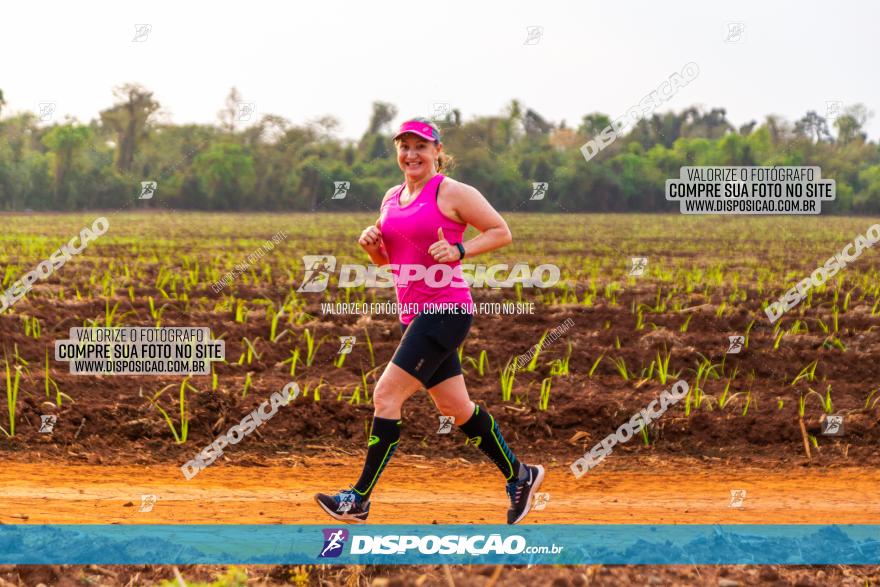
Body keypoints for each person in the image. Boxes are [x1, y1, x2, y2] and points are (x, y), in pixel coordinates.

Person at [315, 118, 544, 525]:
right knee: (455, 407)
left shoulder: (452, 191)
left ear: (437, 150)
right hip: (413, 314)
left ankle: (359, 499)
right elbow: (391, 263)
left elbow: (501, 231)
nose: (411, 154)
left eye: (420, 146)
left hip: (445, 310)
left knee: (386, 396)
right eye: (404, 146)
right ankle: (520, 475)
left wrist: (460, 249)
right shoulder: (391, 196)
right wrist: (372, 249)